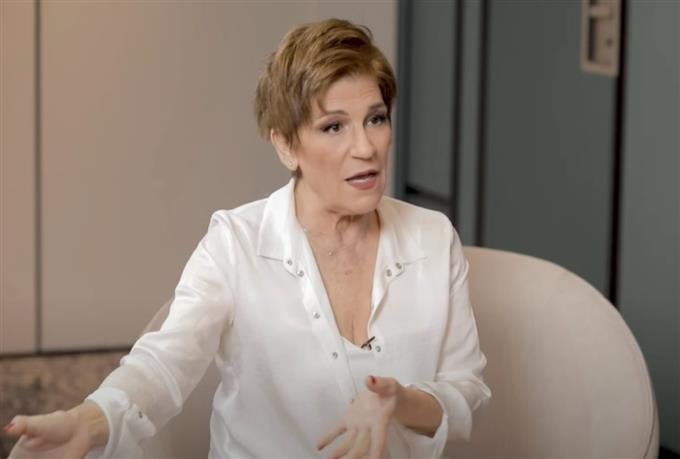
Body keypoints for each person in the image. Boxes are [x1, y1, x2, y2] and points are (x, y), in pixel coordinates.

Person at [5, 18, 491, 459]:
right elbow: (164, 362)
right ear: (285, 145)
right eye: (333, 127)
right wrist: (89, 421)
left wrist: (398, 401)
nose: (365, 147)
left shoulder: (433, 238)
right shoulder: (234, 244)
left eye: (376, 118)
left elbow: (464, 389)